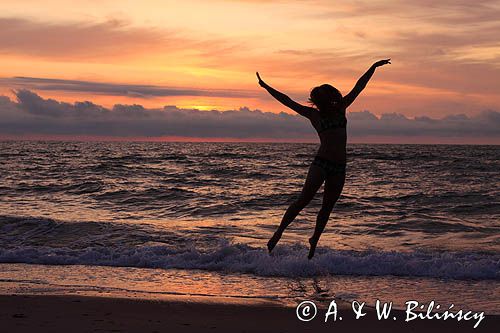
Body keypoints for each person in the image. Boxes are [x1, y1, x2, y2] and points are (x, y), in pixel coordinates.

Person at [257, 59, 391, 259]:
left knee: (327, 207)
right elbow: (287, 101)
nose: (331, 99)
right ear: (320, 101)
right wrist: (266, 86)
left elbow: (359, 86)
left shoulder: (342, 107)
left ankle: (314, 241)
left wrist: (373, 67)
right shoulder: (313, 115)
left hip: (339, 166)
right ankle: (279, 231)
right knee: (303, 199)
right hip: (321, 163)